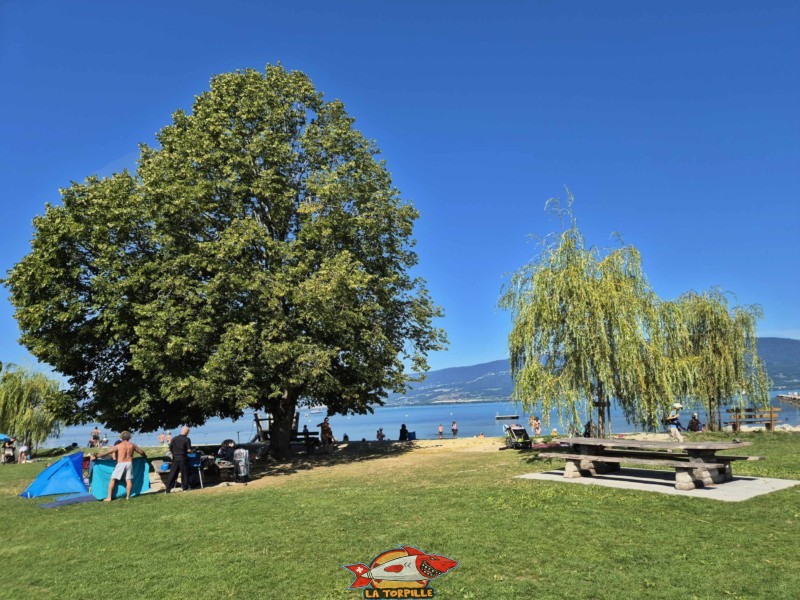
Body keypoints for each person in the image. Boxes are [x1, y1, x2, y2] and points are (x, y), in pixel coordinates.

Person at [92, 431, 147, 501]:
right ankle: (128, 497)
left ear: (121, 437)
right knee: (128, 480)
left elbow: (108, 452)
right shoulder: (132, 445)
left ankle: (109, 497)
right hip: (129, 463)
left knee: (113, 479)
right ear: (129, 437)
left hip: (121, 463)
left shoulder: (118, 446)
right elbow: (141, 452)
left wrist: (97, 456)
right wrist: (145, 456)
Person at [164, 427, 192, 493]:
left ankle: (167, 489)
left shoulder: (174, 439)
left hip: (175, 459)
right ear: (187, 432)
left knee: (173, 474)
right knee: (184, 473)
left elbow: (170, 448)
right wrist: (191, 451)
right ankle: (185, 488)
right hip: (183, 458)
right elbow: (189, 450)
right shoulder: (187, 439)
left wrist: (174, 453)